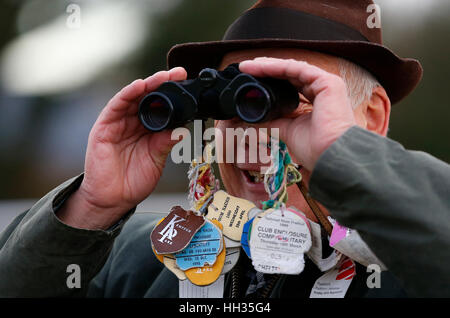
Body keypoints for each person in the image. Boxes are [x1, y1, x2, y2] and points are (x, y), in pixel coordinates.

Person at [0, 0, 449, 298]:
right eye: (241, 104)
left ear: (371, 117)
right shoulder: (143, 261)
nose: (256, 135)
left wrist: (341, 154)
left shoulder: (409, 273)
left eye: (290, 101)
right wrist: (91, 207)